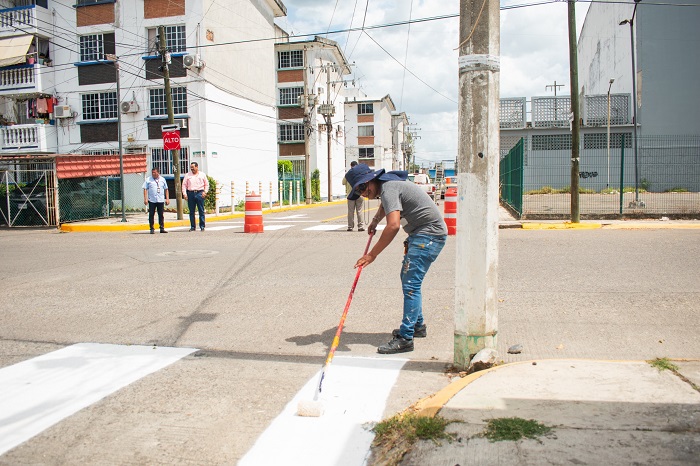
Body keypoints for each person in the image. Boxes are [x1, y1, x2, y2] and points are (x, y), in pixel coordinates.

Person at [345, 163, 448, 354]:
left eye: (362, 187)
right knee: (408, 280)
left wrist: (372, 254)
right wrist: (375, 220)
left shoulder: (389, 188)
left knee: (411, 285)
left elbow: (393, 226)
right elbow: (387, 205)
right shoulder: (388, 186)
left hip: (428, 236)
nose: (363, 193)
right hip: (424, 235)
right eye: (358, 191)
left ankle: (406, 337)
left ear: (371, 180)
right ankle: (417, 326)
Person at [182, 162, 209, 231]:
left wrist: (205, 192)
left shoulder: (202, 175)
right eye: (191, 168)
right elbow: (184, 185)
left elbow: (206, 184)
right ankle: (193, 226)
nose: (192, 169)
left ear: (197, 167)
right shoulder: (187, 175)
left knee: (201, 210)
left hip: (200, 193)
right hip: (190, 193)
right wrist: (185, 194)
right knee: (191, 211)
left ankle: (202, 226)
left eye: (193, 168)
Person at [142, 167, 169, 234]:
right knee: (151, 214)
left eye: (154, 172)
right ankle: (151, 228)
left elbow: (166, 189)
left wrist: (167, 199)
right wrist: (145, 198)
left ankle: (161, 228)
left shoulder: (162, 179)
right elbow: (145, 189)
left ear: (158, 172)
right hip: (152, 200)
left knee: (161, 214)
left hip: (160, 200)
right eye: (152, 172)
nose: (153, 174)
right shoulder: (148, 179)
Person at [342, 161, 364, 231]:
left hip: (350, 195)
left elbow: (343, 182)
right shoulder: (360, 173)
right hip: (359, 194)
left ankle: (350, 227)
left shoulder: (348, 174)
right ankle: (360, 226)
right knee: (359, 210)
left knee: (350, 211)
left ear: (351, 166)